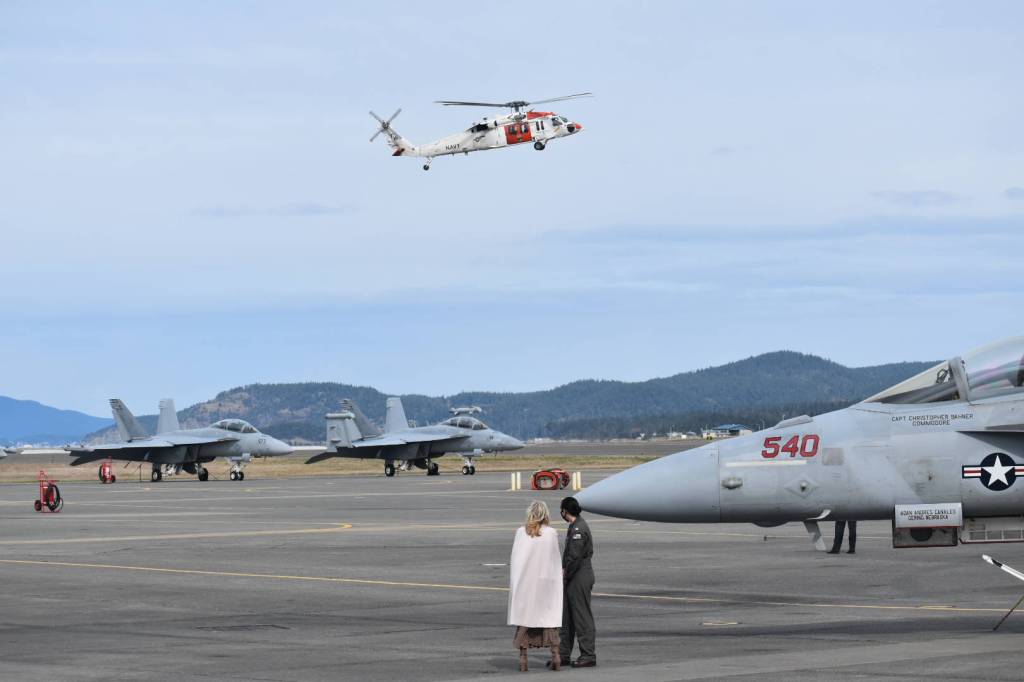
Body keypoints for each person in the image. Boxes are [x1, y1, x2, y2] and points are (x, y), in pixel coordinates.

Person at [508, 500, 563, 672]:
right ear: (545, 514)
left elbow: (516, 560)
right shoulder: (551, 533)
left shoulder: (520, 532)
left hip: (525, 582)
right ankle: (556, 656)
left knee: (524, 619)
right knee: (548, 618)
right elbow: (555, 559)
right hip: (545, 582)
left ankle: (523, 659)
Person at [555, 496, 596, 669]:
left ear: (565, 510)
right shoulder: (574, 526)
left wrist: (565, 573)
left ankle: (588, 654)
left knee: (581, 616)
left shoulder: (579, 529)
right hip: (573, 577)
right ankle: (564, 654)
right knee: (566, 618)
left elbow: (574, 557)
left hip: (579, 576)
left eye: (561, 510)